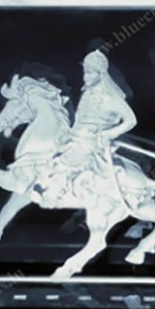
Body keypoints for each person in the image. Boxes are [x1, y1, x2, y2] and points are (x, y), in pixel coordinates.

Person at [39, 49, 137, 207]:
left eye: (91, 73)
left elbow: (131, 120)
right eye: (85, 72)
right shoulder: (87, 94)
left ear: (101, 74)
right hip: (74, 138)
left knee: (65, 163)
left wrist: (110, 133)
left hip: (91, 143)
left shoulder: (111, 97)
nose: (87, 77)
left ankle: (58, 195)